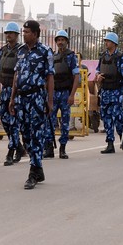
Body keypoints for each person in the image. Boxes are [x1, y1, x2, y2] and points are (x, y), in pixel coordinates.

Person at [9, 20, 54, 190]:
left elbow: (50, 77)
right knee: (25, 134)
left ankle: (33, 172)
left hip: (36, 97)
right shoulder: (20, 51)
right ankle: (38, 168)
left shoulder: (44, 52)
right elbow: (16, 76)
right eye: (24, 31)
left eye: (27, 31)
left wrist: (50, 101)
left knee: (36, 134)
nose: (24, 34)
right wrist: (12, 98)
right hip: (21, 98)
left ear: (35, 34)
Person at [0, 22, 25, 165]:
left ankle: (11, 151)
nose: (8, 35)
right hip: (4, 89)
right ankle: (18, 146)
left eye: (11, 33)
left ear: (17, 35)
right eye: (6, 33)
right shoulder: (2, 51)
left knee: (13, 122)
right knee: (4, 119)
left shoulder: (22, 51)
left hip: (16, 91)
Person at [46, 30, 79, 159]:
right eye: (58, 40)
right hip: (53, 93)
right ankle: (49, 148)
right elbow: (49, 77)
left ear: (67, 42)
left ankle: (62, 148)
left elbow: (76, 76)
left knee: (65, 122)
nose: (60, 42)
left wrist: (72, 95)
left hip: (65, 93)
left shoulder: (71, 56)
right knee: (50, 121)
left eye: (62, 40)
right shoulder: (53, 57)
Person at [95, 32, 123, 154]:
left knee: (118, 117)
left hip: (116, 92)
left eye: (108, 41)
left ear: (114, 43)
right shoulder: (103, 56)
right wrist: (98, 76)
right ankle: (110, 144)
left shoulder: (120, 57)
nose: (106, 43)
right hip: (105, 91)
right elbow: (97, 71)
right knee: (106, 118)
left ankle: (122, 137)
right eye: (105, 41)